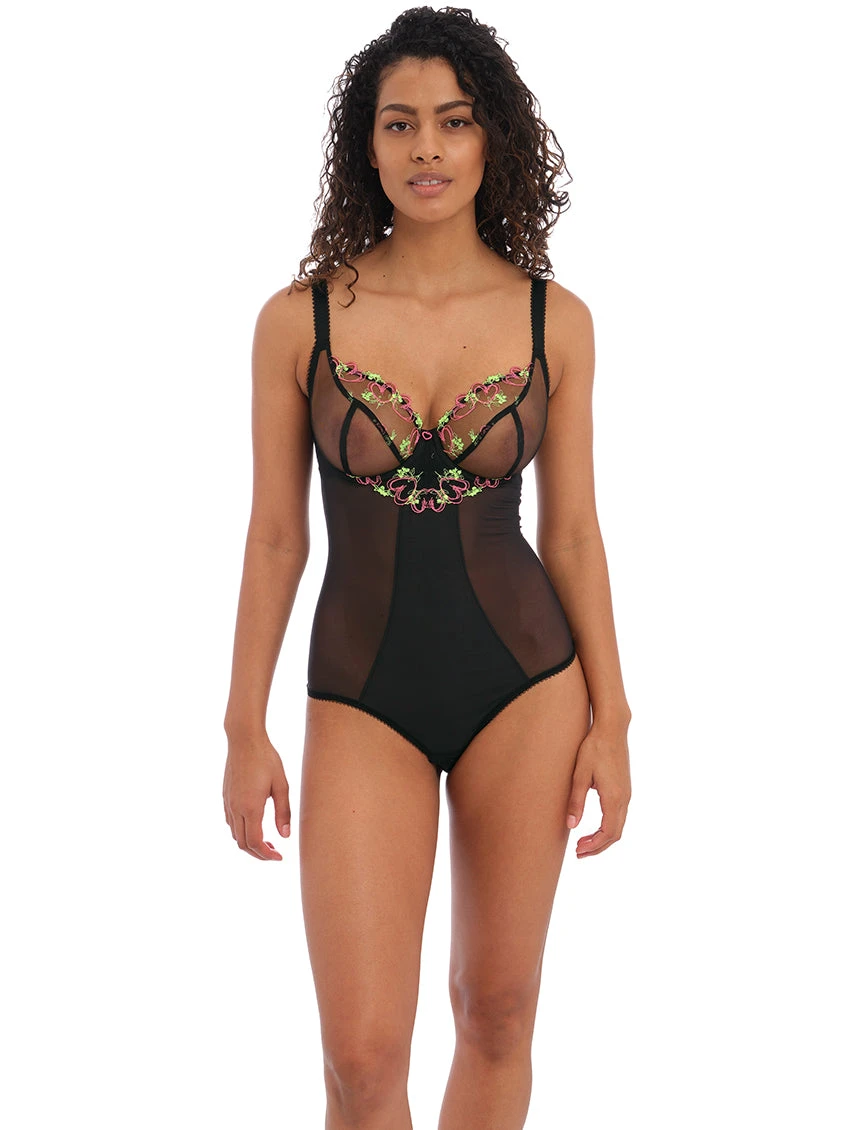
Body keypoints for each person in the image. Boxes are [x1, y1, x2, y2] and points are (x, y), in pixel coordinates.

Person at [222, 6, 632, 1127]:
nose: (427, 149)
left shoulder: (556, 320)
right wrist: (243, 726)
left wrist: (613, 718)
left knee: (496, 1012)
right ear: (366, 145)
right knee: (360, 1060)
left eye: (453, 121)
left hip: (528, 686)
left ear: (492, 137)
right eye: (399, 123)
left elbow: (574, 534)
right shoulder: (296, 320)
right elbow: (275, 537)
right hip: (363, 692)